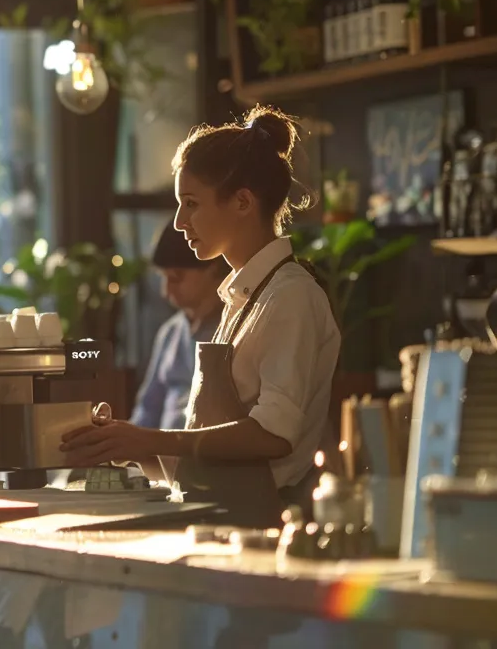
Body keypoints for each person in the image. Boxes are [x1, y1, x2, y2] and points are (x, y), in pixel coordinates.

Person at [61, 106, 341, 526]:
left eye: (190, 204)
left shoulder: (291, 297)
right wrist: (128, 445)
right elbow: (198, 466)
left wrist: (151, 437)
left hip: (264, 526)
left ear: (243, 201)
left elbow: (274, 435)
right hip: (216, 519)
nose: (179, 222)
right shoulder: (243, 299)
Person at [130, 225, 231, 431]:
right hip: (159, 457)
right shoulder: (171, 332)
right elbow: (148, 408)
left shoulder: (233, 328)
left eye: (176, 277)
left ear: (212, 268)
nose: (166, 290)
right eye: (163, 278)